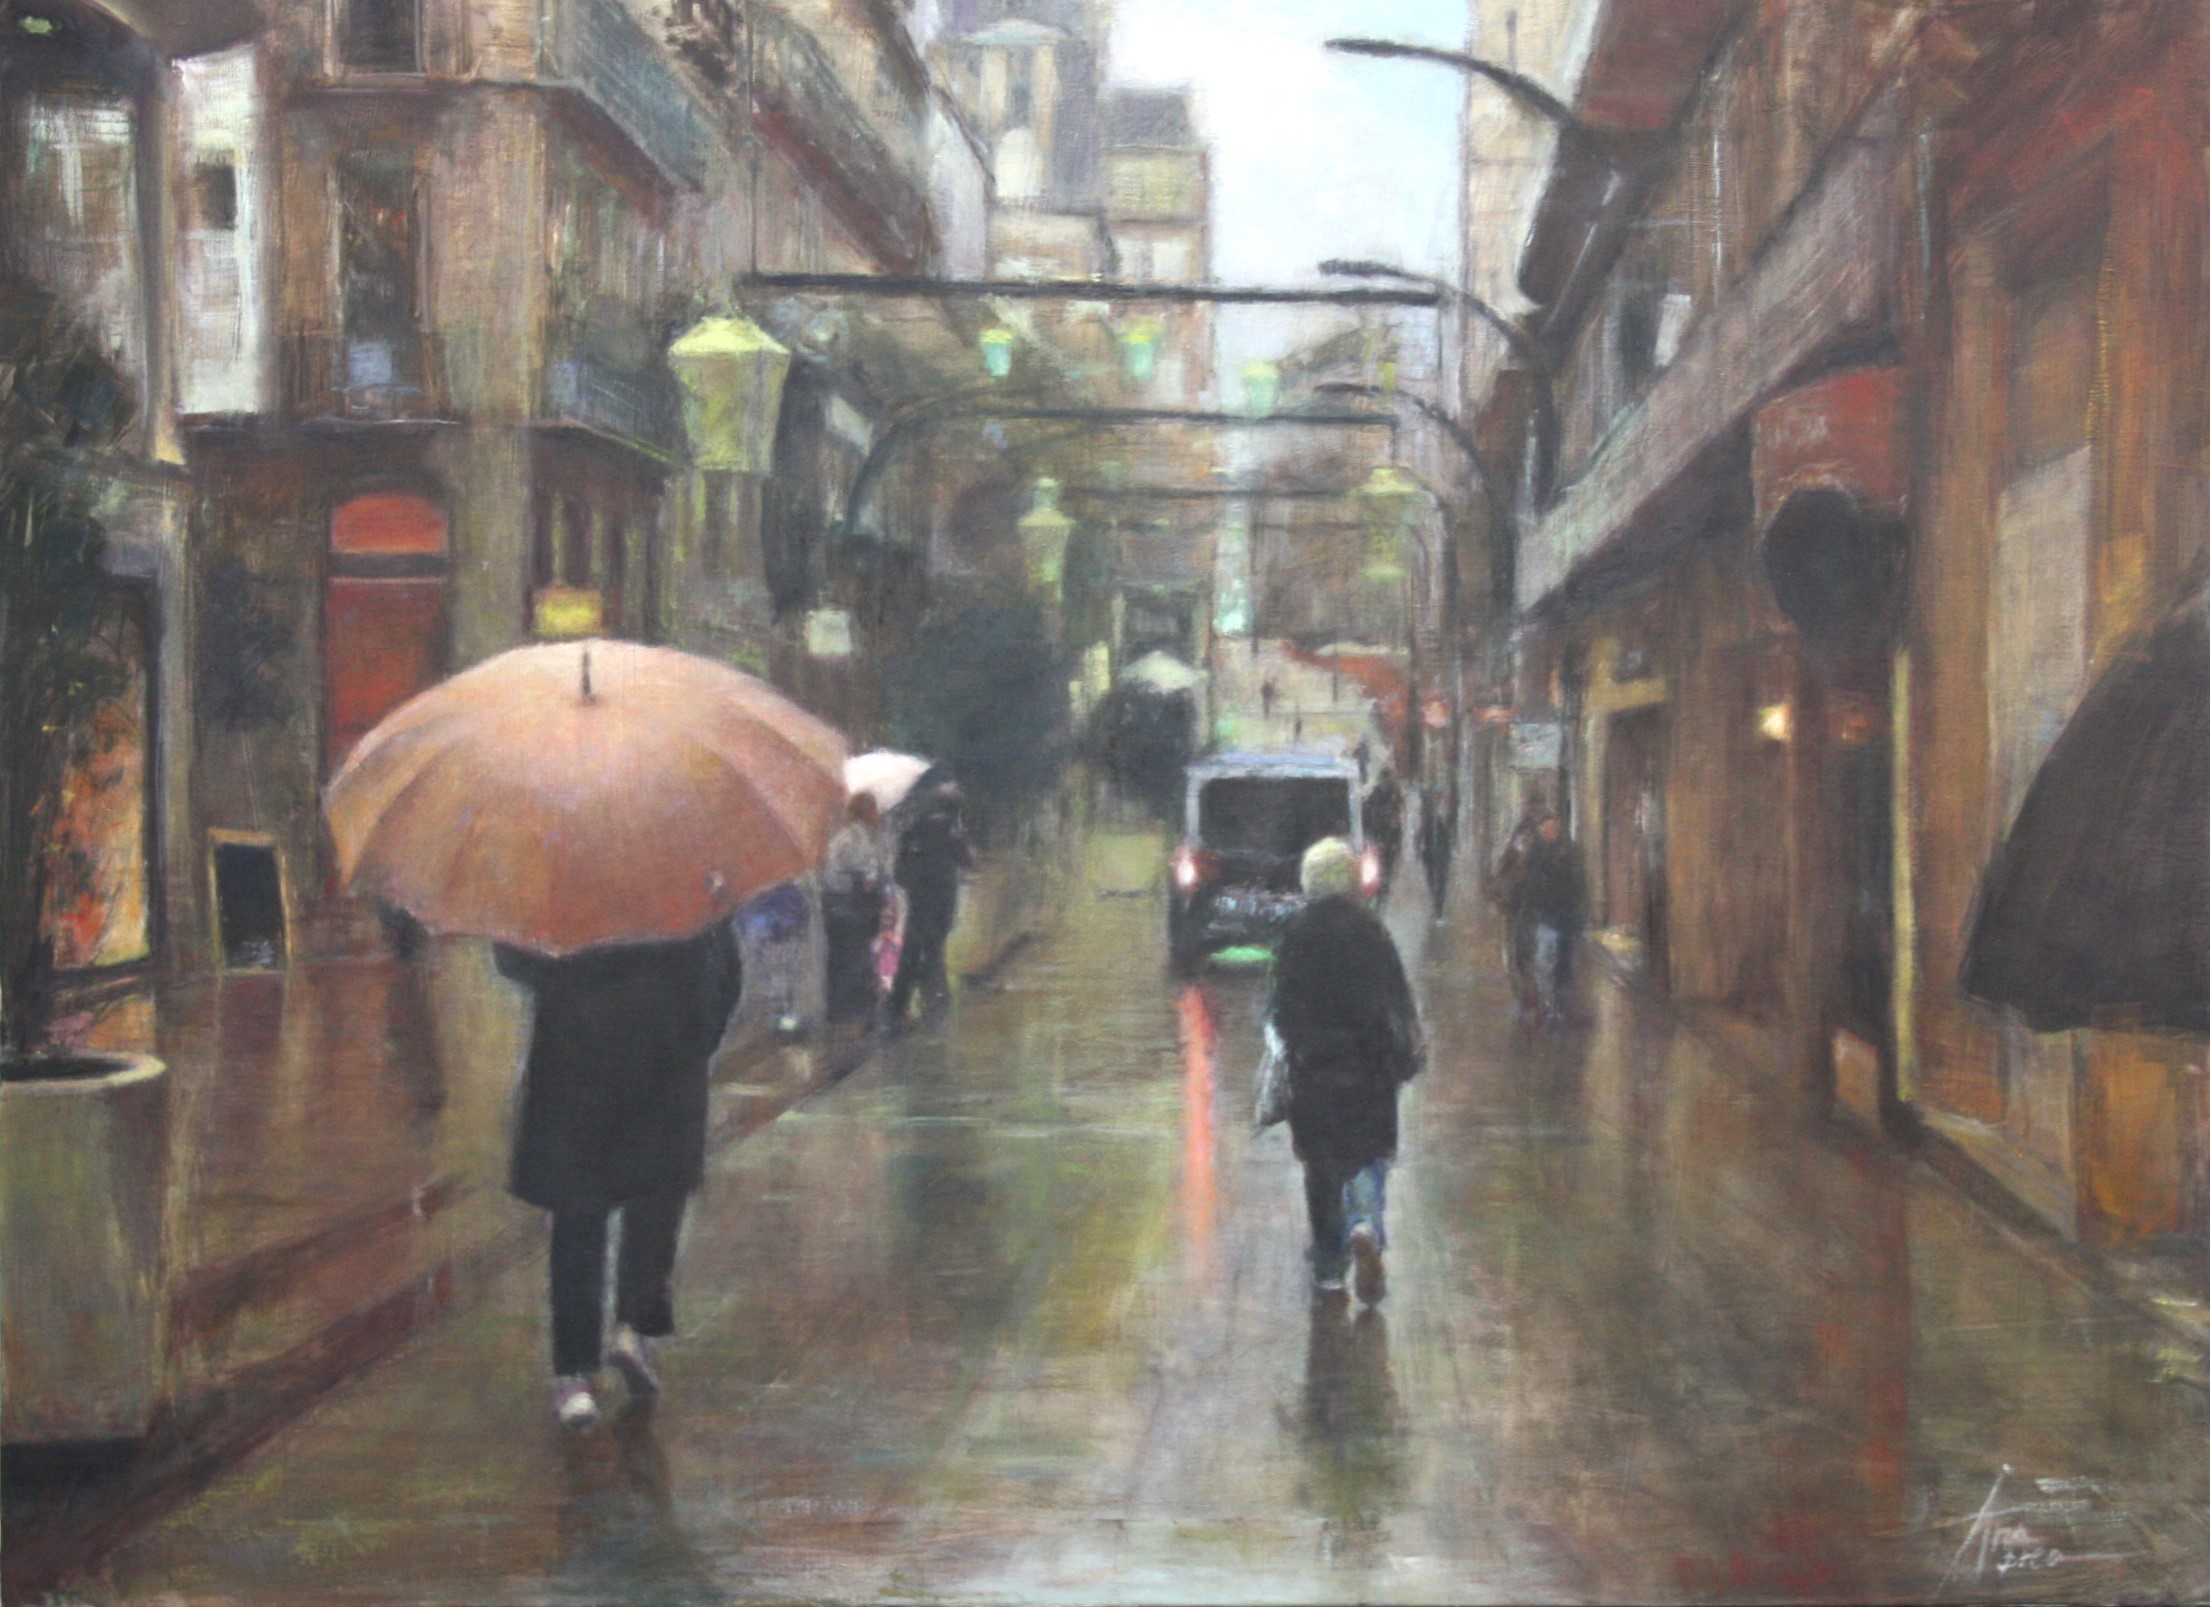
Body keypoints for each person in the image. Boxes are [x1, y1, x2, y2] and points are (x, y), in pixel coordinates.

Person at [495, 923, 741, 1428]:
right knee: (655, 1199)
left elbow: (513, 959)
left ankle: (574, 1372)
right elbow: (722, 968)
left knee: (577, 1217)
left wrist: (561, 975)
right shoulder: (678, 882)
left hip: (577, 1056)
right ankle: (633, 1329)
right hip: (664, 1056)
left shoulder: (560, 888)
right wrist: (696, 1038)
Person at [1269, 837, 1423, 1304]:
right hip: (1369, 1069)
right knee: (1368, 1155)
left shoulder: (1298, 933)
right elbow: (1397, 999)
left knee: (1321, 1170)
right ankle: (1365, 1226)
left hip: (1314, 1073)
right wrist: (1403, 1053)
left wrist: (1294, 1048)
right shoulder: (1371, 931)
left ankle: (1330, 1267)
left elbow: (1282, 1007)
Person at [888, 782, 973, 1025]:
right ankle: (935, 1006)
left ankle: (897, 1010)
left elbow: (900, 871)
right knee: (934, 951)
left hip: (919, 901)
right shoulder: (953, 832)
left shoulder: (914, 829)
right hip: (943, 903)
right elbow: (967, 862)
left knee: (911, 952)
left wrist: (913, 883)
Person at [1503, 810, 1587, 1023]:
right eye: (1545, 828)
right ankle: (1544, 1003)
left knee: (1557, 962)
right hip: (1536, 913)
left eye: (1552, 828)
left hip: (1559, 915)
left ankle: (1555, 1005)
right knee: (1539, 959)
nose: (1549, 832)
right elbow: (1514, 880)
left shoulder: (1568, 851)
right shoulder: (1530, 852)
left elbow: (1578, 884)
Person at [821, 794, 889, 1025]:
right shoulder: (856, 839)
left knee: (841, 962)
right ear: (867, 812)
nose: (877, 815)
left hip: (835, 905)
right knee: (855, 961)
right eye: (874, 810)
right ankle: (855, 1017)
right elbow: (867, 879)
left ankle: (841, 1016)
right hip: (850, 907)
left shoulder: (843, 836)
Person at [1363, 768, 1405, 896]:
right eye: (1386, 779)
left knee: (1387, 862)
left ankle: (1384, 885)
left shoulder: (1394, 793)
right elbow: (1368, 813)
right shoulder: (1376, 794)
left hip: (1389, 834)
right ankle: (1381, 886)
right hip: (1380, 833)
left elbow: (1399, 812)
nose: (1387, 782)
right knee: (1380, 862)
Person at [1418, 784, 1455, 922]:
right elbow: (1421, 833)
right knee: (1433, 881)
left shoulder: (1444, 814)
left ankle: (1439, 910)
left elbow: (1449, 832)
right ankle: (1437, 908)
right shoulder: (1428, 814)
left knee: (1440, 882)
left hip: (1441, 853)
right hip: (1431, 853)